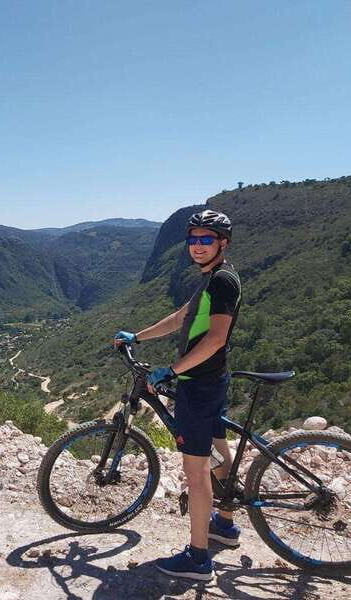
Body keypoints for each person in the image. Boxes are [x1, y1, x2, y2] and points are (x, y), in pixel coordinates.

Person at [114, 209, 241, 581]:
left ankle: (198, 559)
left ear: (222, 243)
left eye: (206, 239)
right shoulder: (211, 278)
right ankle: (225, 525)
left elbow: (215, 339)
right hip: (210, 380)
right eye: (193, 239)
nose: (198, 246)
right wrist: (137, 336)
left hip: (199, 385)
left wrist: (172, 370)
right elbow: (181, 317)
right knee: (218, 448)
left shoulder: (222, 281)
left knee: (196, 473)